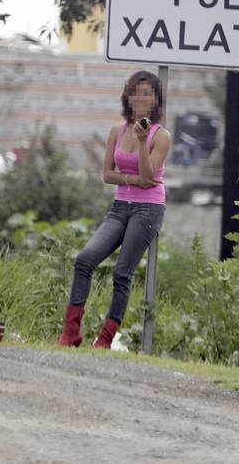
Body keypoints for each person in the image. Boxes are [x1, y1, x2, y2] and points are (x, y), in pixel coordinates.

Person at [57, 70, 171, 348]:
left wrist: (143, 142)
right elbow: (108, 174)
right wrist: (133, 180)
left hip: (148, 209)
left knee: (122, 273)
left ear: (156, 100)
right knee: (85, 259)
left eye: (147, 92)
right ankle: (71, 332)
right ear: (128, 97)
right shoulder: (116, 131)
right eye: (136, 91)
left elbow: (149, 175)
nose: (141, 97)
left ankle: (105, 339)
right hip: (121, 206)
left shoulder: (161, 136)